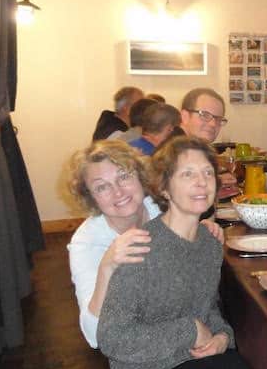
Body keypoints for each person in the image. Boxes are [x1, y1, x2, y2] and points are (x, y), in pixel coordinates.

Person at [97, 137, 267, 369]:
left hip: (192, 362)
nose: (201, 182)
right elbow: (112, 338)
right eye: (187, 174)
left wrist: (222, 337)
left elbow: (208, 309)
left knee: (266, 368)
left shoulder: (209, 243)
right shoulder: (140, 249)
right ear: (164, 188)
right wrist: (189, 331)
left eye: (207, 173)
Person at [67, 140, 222, 349]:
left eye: (124, 176)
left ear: (141, 177)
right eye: (102, 187)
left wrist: (198, 228)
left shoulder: (159, 207)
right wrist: (106, 267)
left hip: (174, 329)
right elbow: (95, 337)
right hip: (135, 346)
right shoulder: (87, 243)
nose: (118, 192)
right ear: (91, 198)